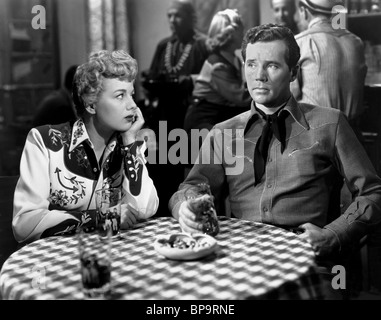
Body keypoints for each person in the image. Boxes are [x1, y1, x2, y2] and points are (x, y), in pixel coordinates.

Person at [169, 24, 381, 298]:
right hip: (237, 262)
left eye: (272, 66)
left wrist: (333, 235)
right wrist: (185, 206)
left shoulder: (330, 123)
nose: (259, 76)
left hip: (307, 264)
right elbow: (190, 188)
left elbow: (373, 194)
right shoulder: (223, 132)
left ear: (293, 72)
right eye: (252, 64)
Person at [13, 50, 159, 244]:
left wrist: (131, 143)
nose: (133, 105)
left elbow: (144, 209)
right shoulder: (44, 142)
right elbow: (24, 225)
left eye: (131, 94)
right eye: (120, 96)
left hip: (112, 257)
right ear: (91, 105)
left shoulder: (129, 143)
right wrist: (103, 218)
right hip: (56, 263)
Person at [290, 0, 367, 134]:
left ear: (304, 11)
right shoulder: (356, 42)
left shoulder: (300, 43)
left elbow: (289, 99)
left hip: (317, 138)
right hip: (353, 137)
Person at [141, 0, 209, 132]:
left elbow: (213, 78)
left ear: (190, 18)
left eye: (178, 15)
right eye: (169, 16)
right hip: (164, 113)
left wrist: (190, 80)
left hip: (193, 113)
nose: (172, 20)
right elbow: (154, 74)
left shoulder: (202, 44)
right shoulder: (164, 45)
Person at [184, 8, 251, 134]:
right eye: (240, 30)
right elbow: (242, 98)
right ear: (230, 34)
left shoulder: (232, 59)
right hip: (202, 122)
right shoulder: (218, 66)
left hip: (219, 116)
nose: (243, 33)